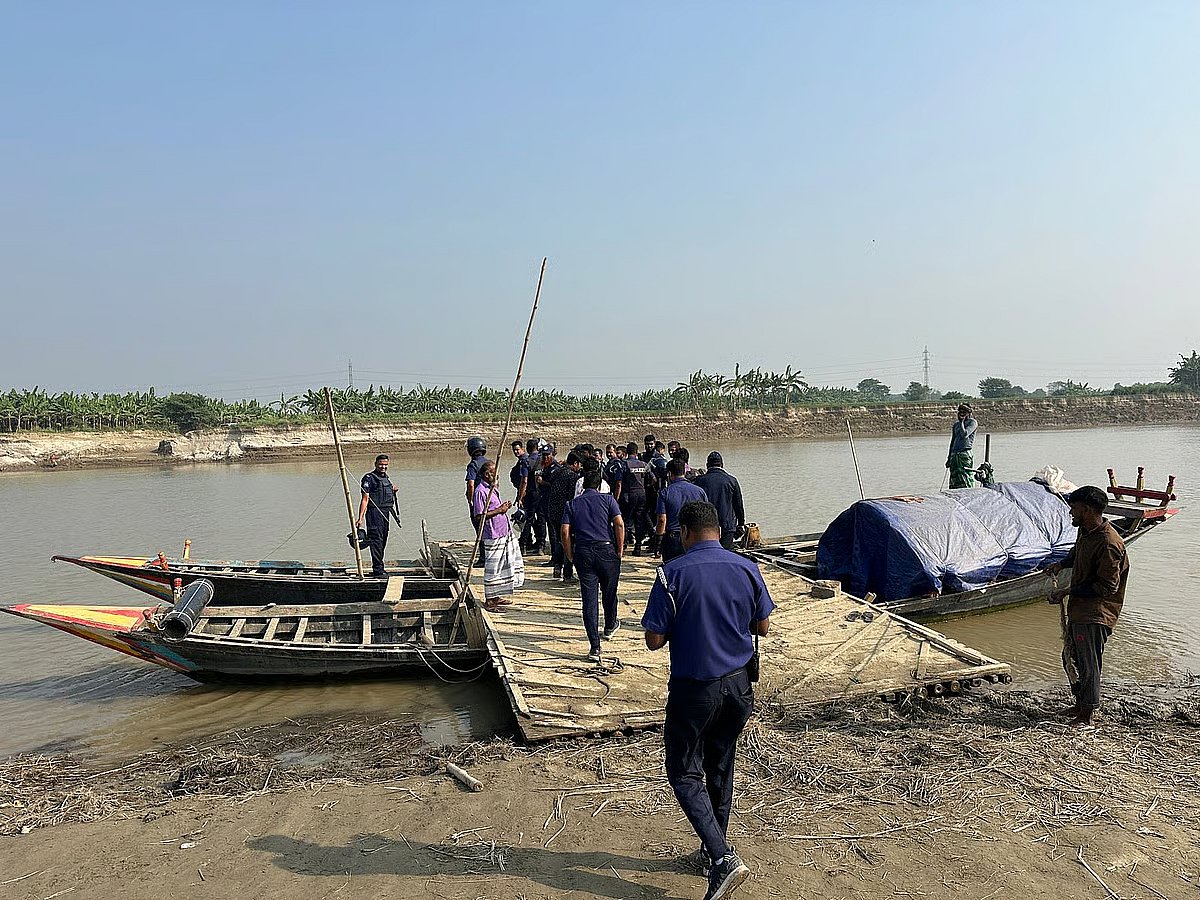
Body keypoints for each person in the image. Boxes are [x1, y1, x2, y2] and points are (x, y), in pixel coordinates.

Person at [642, 500, 774, 900]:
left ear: (684, 533)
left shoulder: (671, 575)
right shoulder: (747, 568)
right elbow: (763, 625)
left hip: (694, 690)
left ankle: (721, 857)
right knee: (720, 764)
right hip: (738, 688)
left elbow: (653, 640)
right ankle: (711, 851)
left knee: (684, 772)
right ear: (719, 529)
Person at [1044, 485, 1129, 728]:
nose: (1071, 512)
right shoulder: (1086, 530)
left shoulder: (1109, 544)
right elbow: (1076, 552)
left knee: (1089, 662)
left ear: (1088, 510)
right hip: (1080, 609)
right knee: (1071, 657)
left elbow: (1106, 588)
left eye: (1074, 508)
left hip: (1096, 613)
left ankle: (1087, 713)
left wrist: (1066, 591)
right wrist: (1061, 564)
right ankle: (1081, 703)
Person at [562, 468, 625, 662]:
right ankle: (610, 625)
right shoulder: (608, 500)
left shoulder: (572, 504)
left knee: (589, 600)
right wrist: (620, 550)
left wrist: (570, 555)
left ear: (583, 486)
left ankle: (595, 647)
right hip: (606, 550)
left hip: (583, 552)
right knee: (609, 591)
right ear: (599, 485)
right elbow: (619, 524)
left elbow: (565, 532)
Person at [471, 461, 525, 610]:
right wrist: (500, 510)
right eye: (494, 472)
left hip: (503, 531)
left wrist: (503, 508)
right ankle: (490, 600)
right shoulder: (480, 491)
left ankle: (497, 595)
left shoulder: (492, 488)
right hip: (492, 534)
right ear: (487, 474)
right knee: (493, 567)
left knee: (503, 565)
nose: (497, 475)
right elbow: (479, 516)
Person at [356, 454, 400, 577]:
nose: (383, 467)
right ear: (375, 464)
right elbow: (365, 499)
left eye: (385, 465)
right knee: (376, 541)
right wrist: (361, 518)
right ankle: (378, 570)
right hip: (374, 513)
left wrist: (392, 490)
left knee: (383, 540)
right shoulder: (369, 478)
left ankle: (380, 567)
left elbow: (384, 491)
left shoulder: (385, 477)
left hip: (385, 513)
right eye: (381, 464)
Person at [656, 458, 708, 563]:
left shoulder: (665, 493)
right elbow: (706, 516)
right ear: (684, 472)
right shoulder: (699, 491)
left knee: (671, 571)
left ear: (669, 474)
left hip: (673, 538)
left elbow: (662, 520)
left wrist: (658, 540)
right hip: (694, 536)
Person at [546, 451, 584, 581]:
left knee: (559, 540)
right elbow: (571, 497)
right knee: (568, 541)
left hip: (552, 510)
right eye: (579, 465)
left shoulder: (557, 471)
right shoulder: (572, 476)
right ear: (575, 463)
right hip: (564, 512)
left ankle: (557, 567)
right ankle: (567, 573)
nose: (579, 468)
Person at [695, 452, 745, 550]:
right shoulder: (732, 480)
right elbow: (738, 505)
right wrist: (741, 524)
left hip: (706, 525)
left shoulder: (699, 481)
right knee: (726, 553)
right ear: (722, 464)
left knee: (708, 553)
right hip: (727, 526)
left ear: (707, 465)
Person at [616, 442, 650, 555]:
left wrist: (616, 498)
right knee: (639, 520)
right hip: (642, 494)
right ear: (636, 452)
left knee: (625, 520)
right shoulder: (643, 464)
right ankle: (638, 547)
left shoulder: (623, 464)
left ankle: (623, 544)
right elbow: (653, 479)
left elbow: (619, 483)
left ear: (627, 452)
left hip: (628, 495)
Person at [946, 405, 977, 489]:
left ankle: (969, 491)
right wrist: (949, 458)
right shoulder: (956, 425)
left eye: (964, 413)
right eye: (960, 412)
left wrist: (962, 423)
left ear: (968, 414)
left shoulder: (972, 422)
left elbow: (965, 434)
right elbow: (952, 442)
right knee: (954, 477)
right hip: (954, 454)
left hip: (964, 453)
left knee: (966, 475)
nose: (962, 414)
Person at [465, 436, 492, 531]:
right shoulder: (490, 463)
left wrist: (470, 500)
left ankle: (482, 544)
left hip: (478, 498)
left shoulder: (473, 465)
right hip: (490, 496)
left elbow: (471, 484)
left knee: (478, 523)